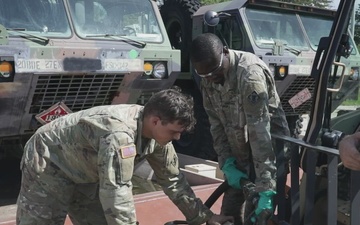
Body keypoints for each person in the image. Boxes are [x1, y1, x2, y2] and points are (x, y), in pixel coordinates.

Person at [16, 88, 233, 225]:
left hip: (86, 171)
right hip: (49, 160)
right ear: (156, 121)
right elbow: (117, 193)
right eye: (174, 131)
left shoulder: (160, 137)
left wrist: (205, 217)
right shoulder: (119, 135)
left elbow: (174, 181)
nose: (177, 137)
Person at [190, 33, 290, 224]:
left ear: (225, 52)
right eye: (205, 75)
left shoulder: (250, 74)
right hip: (239, 156)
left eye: (215, 71)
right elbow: (216, 124)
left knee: (257, 215)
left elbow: (260, 132)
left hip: (268, 156)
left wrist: (266, 185)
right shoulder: (208, 77)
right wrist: (226, 163)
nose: (211, 78)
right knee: (229, 212)